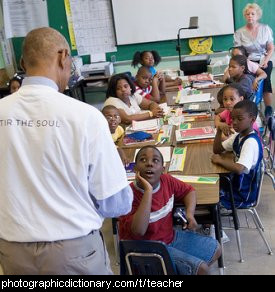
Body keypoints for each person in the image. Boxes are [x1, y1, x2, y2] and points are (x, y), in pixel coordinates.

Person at [0, 27, 133, 275]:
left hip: (12, 252)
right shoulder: (85, 116)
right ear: (63, 57)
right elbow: (115, 203)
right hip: (73, 252)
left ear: (22, 62)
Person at [119, 146, 221, 275]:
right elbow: (139, 231)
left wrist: (189, 214)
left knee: (216, 249)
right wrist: (148, 191)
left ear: (163, 169)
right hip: (144, 248)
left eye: (155, 160)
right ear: (135, 168)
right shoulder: (127, 196)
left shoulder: (167, 180)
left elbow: (189, 191)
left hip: (169, 238)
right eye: (143, 160)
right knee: (201, 269)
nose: (149, 163)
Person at [212, 100, 263, 209]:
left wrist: (220, 160)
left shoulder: (250, 142)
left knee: (210, 196)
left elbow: (240, 168)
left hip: (243, 193)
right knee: (210, 184)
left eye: (239, 119)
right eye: (233, 118)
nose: (234, 122)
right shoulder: (238, 136)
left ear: (252, 120)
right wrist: (219, 130)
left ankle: (211, 223)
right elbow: (217, 149)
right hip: (235, 182)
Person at [234, 3, 274, 118]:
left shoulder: (265, 29)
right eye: (247, 14)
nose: (250, 16)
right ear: (245, 16)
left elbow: (271, 48)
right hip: (248, 61)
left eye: (252, 14)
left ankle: (269, 111)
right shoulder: (240, 32)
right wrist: (246, 63)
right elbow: (238, 52)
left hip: (263, 60)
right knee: (247, 82)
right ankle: (249, 109)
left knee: (265, 81)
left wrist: (266, 61)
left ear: (258, 15)